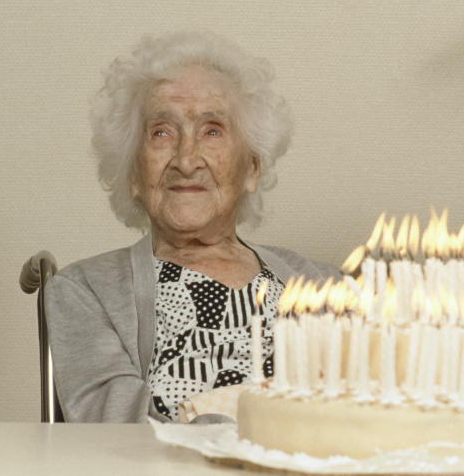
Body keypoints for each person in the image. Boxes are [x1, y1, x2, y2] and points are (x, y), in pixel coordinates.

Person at [45, 31, 337, 423]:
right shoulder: (85, 292)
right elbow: (113, 433)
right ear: (133, 172)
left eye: (212, 130)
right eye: (161, 132)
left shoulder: (326, 285)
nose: (186, 159)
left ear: (251, 166)